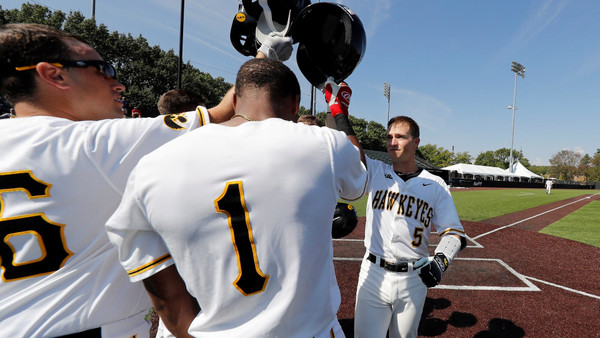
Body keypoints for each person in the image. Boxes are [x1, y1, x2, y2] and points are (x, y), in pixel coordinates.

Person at [0, 23, 289, 337]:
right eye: (103, 69)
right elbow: (226, 111)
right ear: (54, 75)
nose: (118, 83)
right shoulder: (95, 144)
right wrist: (266, 52)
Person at [105, 58, 368, 337]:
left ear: (233, 98)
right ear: (295, 104)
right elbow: (358, 174)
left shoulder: (152, 165)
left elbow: (155, 278)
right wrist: (339, 112)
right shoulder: (322, 142)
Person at [353, 115, 467, 338]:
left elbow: (454, 232)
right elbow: (349, 153)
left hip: (413, 277)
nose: (392, 142)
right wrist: (340, 114)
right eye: (389, 137)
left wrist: (441, 263)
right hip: (373, 273)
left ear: (416, 142)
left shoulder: (435, 185)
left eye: (400, 137)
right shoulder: (376, 171)